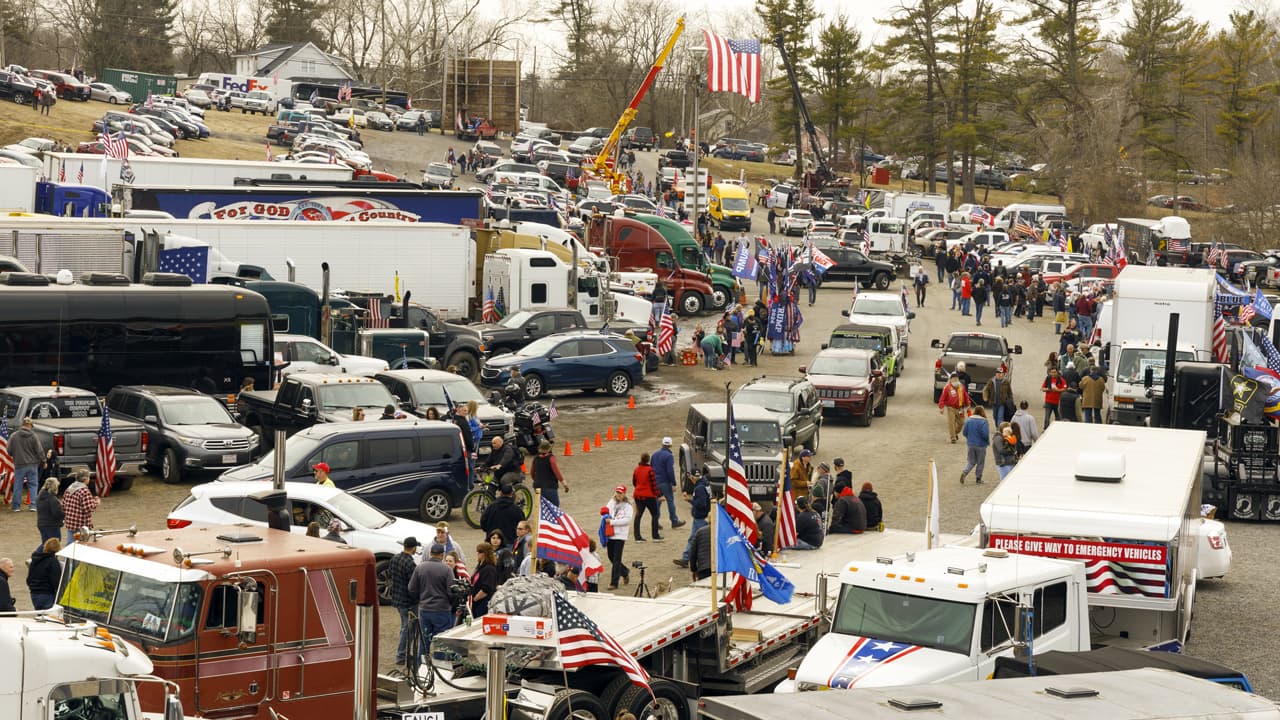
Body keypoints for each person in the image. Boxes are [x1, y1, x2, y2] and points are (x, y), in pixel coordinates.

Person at [408, 543, 457, 658]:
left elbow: (411, 588)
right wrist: (451, 603)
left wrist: (420, 598)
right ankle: (438, 665)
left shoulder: (420, 567)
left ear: (430, 553)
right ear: (442, 555)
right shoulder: (447, 570)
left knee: (424, 641)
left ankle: (422, 665)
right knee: (440, 642)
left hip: (425, 609)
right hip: (441, 610)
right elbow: (451, 591)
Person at [386, 536, 421, 667]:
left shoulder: (395, 558)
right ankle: (401, 655)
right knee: (408, 628)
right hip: (408, 601)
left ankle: (403, 654)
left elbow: (390, 574)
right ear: (414, 548)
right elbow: (413, 585)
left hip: (397, 599)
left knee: (404, 627)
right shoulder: (410, 564)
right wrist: (417, 599)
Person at [674, 468, 710, 569]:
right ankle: (686, 558)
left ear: (693, 477)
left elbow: (701, 503)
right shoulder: (704, 484)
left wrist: (689, 500)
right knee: (694, 538)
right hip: (703, 516)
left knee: (696, 539)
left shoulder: (699, 488)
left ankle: (687, 558)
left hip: (701, 517)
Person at [603, 485, 634, 590]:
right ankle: (624, 571)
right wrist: (604, 517)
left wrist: (612, 522)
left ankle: (614, 582)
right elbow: (605, 511)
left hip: (620, 535)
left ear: (624, 494)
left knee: (617, 559)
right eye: (617, 492)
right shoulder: (612, 502)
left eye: (620, 493)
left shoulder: (628, 506)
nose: (618, 495)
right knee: (611, 556)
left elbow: (627, 520)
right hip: (611, 533)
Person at [10, 418, 43, 512]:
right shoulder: (34, 436)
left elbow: (9, 450)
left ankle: (16, 507)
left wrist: (16, 455)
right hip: (32, 464)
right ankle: (33, 506)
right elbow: (39, 450)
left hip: (19, 464)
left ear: (23, 424)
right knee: (33, 485)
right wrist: (43, 461)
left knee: (18, 485)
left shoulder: (14, 436)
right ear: (29, 425)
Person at [652, 437, 684, 528]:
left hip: (656, 482)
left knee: (657, 502)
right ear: (670, 445)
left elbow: (651, 468)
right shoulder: (669, 456)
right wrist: (673, 483)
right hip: (665, 482)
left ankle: (655, 522)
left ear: (662, 444)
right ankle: (674, 521)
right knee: (670, 501)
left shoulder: (654, 455)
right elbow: (670, 471)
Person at [631, 452, 662, 542]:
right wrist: (658, 495)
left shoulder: (636, 469)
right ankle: (655, 535)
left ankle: (637, 536)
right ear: (648, 460)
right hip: (649, 496)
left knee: (638, 515)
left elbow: (634, 482)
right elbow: (653, 484)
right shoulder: (650, 470)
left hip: (638, 495)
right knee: (655, 514)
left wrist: (639, 488)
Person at [62, 469, 98, 544]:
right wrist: (96, 502)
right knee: (82, 545)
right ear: (85, 479)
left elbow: (63, 505)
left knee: (71, 544)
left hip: (70, 522)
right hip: (81, 524)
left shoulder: (68, 489)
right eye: (89, 477)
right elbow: (88, 508)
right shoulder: (84, 491)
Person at [531, 441, 569, 507]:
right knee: (554, 506)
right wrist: (564, 483)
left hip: (537, 486)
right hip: (550, 486)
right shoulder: (551, 458)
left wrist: (537, 480)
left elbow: (532, 472)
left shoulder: (535, 458)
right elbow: (556, 472)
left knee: (542, 507)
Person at [27, 537, 61, 611]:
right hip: (47, 594)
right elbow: (56, 581)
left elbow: (29, 579)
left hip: (34, 594)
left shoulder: (35, 560)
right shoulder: (53, 562)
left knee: (39, 615)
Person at [960, 406, 990, 484]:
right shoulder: (984, 421)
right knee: (980, 462)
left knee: (971, 461)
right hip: (981, 445)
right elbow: (985, 434)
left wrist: (969, 438)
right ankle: (978, 478)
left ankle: (964, 472)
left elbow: (964, 432)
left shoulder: (969, 420)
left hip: (971, 444)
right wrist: (987, 441)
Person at [937, 374, 971, 444]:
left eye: (957, 379)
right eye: (954, 379)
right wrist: (941, 407)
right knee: (951, 423)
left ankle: (955, 433)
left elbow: (966, 396)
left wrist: (968, 404)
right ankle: (953, 438)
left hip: (960, 408)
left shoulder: (961, 387)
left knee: (961, 423)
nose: (956, 380)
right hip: (951, 408)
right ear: (951, 380)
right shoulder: (947, 388)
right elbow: (942, 399)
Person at [470, 542, 499, 616]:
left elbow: (486, 589)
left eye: (480, 551)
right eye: (477, 551)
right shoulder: (480, 566)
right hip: (477, 603)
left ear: (485, 554)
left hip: (483, 604)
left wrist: (474, 599)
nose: (477, 553)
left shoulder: (489, 569)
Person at [35, 477, 63, 545]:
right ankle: (37, 552)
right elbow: (57, 513)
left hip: (41, 523)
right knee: (54, 544)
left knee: (46, 544)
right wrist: (64, 514)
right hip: (52, 525)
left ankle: (41, 552)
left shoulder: (39, 497)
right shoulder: (52, 499)